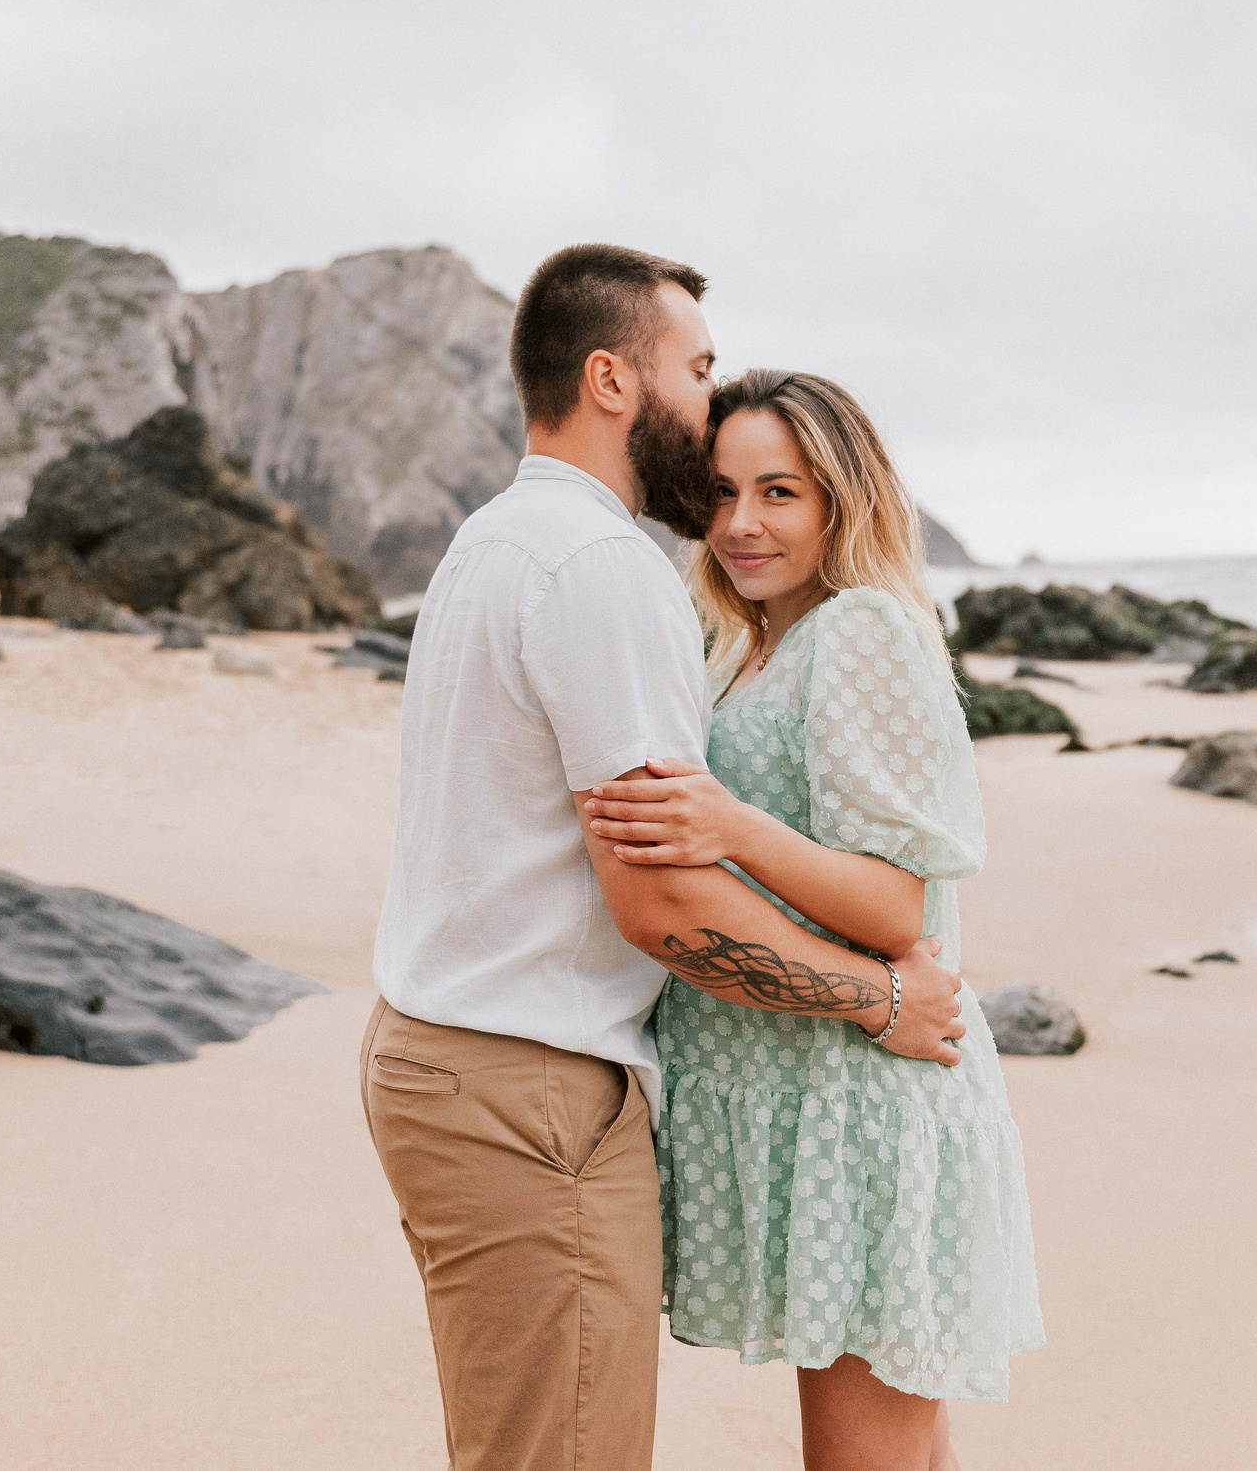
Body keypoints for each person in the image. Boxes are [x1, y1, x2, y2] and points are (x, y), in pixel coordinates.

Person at [363, 246, 966, 1471]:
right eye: (693, 369)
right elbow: (661, 902)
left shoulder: (492, 541)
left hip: (441, 1060)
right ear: (611, 380)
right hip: (524, 1089)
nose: (709, 395)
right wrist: (881, 998)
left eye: (780, 491)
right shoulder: (598, 568)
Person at [581, 369, 1044, 1471]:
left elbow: (898, 904)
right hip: (812, 1101)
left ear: (841, 500)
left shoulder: (858, 632)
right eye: (723, 492)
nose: (741, 523)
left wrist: (728, 825)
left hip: (859, 1110)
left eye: (779, 492)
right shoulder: (749, 647)